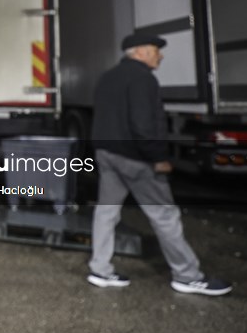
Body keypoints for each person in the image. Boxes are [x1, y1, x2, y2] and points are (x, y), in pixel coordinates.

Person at [88, 33, 231, 296]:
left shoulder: (108, 77)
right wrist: (158, 158)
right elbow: (143, 125)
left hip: (108, 153)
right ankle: (187, 275)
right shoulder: (143, 79)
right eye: (156, 50)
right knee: (164, 215)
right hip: (136, 159)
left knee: (106, 212)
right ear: (140, 52)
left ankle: (100, 269)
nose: (160, 55)